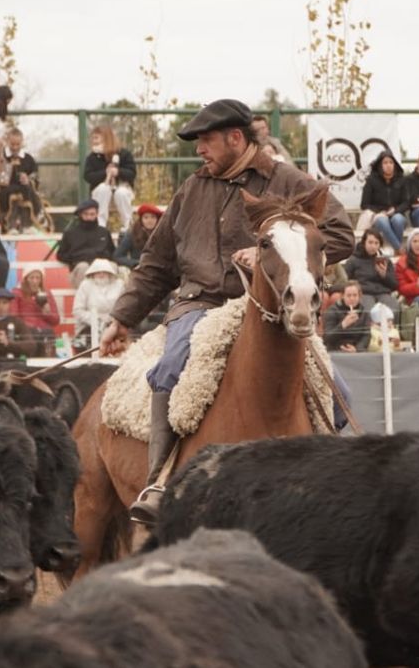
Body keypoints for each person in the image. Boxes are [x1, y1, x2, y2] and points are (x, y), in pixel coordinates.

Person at [97, 99, 354, 524]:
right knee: (171, 368)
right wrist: (122, 317)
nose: (200, 150)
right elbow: (157, 264)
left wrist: (271, 252)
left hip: (266, 307)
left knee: (338, 392)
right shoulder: (192, 190)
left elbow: (339, 234)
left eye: (207, 141)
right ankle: (160, 481)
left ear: (236, 139)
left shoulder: (288, 181)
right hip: (198, 304)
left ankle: (331, 479)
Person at [84, 125, 136, 231]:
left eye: (96, 138)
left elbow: (132, 173)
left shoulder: (124, 154)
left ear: (106, 138)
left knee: (121, 193)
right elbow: (88, 176)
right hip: (101, 191)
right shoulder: (92, 157)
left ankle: (128, 225)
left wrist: (118, 172)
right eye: (92, 138)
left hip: (122, 188)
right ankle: (100, 226)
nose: (93, 141)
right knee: (103, 189)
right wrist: (105, 173)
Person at [0, 127, 44, 233]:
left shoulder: (28, 158)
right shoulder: (1, 157)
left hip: (25, 188)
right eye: (12, 144)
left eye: (18, 144)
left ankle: (27, 224)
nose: (15, 147)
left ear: (22, 142)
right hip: (6, 188)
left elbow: (35, 174)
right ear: (7, 142)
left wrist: (28, 179)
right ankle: (10, 225)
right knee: (8, 195)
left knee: (28, 192)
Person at [57, 199, 115, 288]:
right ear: (80, 214)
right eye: (86, 214)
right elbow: (61, 255)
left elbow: (112, 252)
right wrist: (76, 258)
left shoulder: (104, 232)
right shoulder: (70, 233)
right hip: (80, 268)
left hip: (101, 268)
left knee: (113, 266)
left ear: (96, 214)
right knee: (83, 266)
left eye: (92, 214)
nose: (89, 217)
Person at [358, 150, 407, 251]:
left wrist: (395, 210)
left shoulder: (401, 179)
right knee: (382, 220)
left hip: (396, 213)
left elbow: (406, 202)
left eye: (391, 162)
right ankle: (399, 250)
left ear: (395, 164)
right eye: (385, 163)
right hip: (378, 215)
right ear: (380, 165)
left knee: (398, 219)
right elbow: (364, 204)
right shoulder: (371, 180)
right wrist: (381, 211)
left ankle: (396, 250)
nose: (388, 165)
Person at [342, 228, 399, 313]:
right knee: (368, 310)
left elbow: (395, 285)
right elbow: (345, 280)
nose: (373, 246)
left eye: (376, 243)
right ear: (364, 243)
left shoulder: (384, 261)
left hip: (382, 293)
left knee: (393, 308)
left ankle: (390, 326)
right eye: (370, 242)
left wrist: (384, 275)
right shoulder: (354, 260)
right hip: (364, 293)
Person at [72, 258, 124, 351]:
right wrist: (96, 320)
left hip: (113, 324)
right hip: (88, 325)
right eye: (98, 271)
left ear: (109, 272)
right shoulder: (85, 285)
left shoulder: (119, 285)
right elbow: (77, 310)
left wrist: (111, 320)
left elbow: (123, 307)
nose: (101, 274)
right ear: (93, 272)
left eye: (104, 271)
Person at [10, 268, 59, 354]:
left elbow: (56, 320)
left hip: (45, 331)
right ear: (26, 279)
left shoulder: (46, 293)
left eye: (38, 278)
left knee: (48, 334)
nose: (35, 281)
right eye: (31, 278)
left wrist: (46, 313)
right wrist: (24, 326)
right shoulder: (17, 293)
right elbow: (14, 316)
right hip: (26, 330)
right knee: (32, 335)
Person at [0, 288, 41, 359]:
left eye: (5, 302)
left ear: (9, 304)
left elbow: (31, 345)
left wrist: (8, 343)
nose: (1, 306)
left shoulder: (16, 322)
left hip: (13, 363)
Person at [323, 280, 370, 352]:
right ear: (342, 296)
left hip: (356, 352)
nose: (352, 298)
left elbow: (366, 336)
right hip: (336, 351)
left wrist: (356, 349)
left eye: (355, 295)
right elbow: (327, 338)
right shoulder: (333, 310)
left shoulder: (364, 312)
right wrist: (343, 324)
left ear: (359, 296)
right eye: (348, 295)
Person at [114, 204, 161, 269]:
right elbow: (118, 256)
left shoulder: (163, 234)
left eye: (153, 217)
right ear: (141, 219)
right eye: (146, 217)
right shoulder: (132, 234)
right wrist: (136, 263)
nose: (149, 220)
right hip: (140, 270)